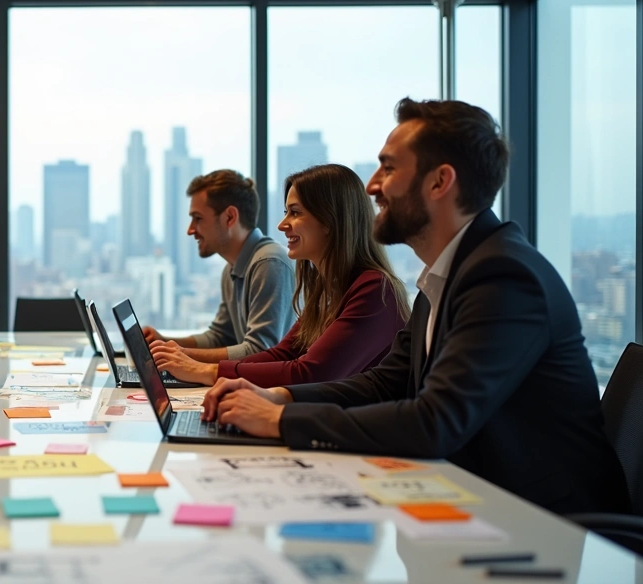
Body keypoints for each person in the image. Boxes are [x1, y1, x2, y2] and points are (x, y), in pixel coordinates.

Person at [204, 98, 629, 515]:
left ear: (440, 182)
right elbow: (383, 383)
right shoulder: (446, 275)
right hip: (478, 499)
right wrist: (277, 397)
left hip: (552, 528)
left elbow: (434, 422)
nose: (372, 186)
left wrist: (281, 421)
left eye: (388, 168)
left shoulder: (503, 276)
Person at [152, 164, 409, 387]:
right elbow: (281, 354)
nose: (281, 225)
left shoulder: (375, 290)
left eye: (295, 213)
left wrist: (206, 370)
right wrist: (188, 360)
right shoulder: (329, 290)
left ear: (330, 221)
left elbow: (311, 372)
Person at [142, 169, 294, 363]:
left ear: (230, 217)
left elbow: (261, 351)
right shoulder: (232, 267)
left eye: (198, 218)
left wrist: (181, 355)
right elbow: (220, 336)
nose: (191, 230)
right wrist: (164, 342)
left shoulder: (269, 263)